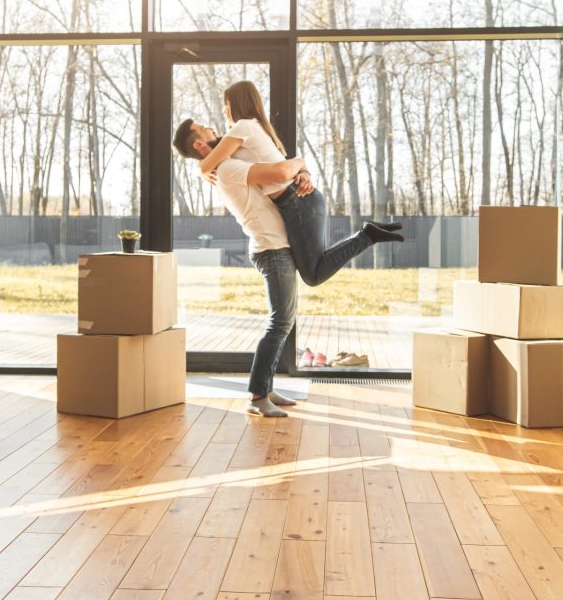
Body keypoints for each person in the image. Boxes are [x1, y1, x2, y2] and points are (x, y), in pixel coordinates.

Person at [196, 80, 403, 286]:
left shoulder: (243, 127)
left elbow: (208, 165)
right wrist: (303, 169)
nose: (224, 110)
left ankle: (367, 236)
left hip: (299, 202)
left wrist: (202, 170)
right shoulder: (252, 130)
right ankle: (368, 235)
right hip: (297, 202)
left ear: (238, 104)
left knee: (312, 276)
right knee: (313, 270)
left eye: (227, 105)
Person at [173, 120, 304, 417]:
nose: (211, 126)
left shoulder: (224, 165)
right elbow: (282, 172)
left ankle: (266, 388)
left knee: (283, 321)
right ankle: (257, 396)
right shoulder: (228, 169)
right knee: (280, 322)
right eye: (203, 127)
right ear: (198, 143)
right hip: (271, 248)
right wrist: (301, 161)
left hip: (274, 246)